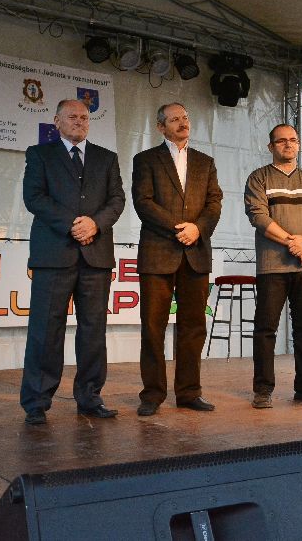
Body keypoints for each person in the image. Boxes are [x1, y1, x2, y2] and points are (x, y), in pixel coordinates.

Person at [20, 99, 126, 425]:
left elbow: (117, 200)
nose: (79, 121)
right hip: (54, 254)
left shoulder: (106, 158)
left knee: (93, 331)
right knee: (45, 331)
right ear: (57, 121)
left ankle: (90, 398)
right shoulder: (40, 155)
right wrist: (72, 224)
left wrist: (95, 224)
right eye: (72, 117)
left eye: (84, 117)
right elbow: (34, 197)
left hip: (96, 256)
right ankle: (37, 402)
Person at [132, 102, 223, 416]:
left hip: (196, 253)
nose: (182, 123)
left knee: (194, 327)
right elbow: (143, 202)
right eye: (174, 119)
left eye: (185, 117)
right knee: (152, 327)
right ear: (161, 127)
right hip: (158, 253)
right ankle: (152, 394)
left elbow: (214, 203)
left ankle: (189, 392)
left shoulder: (205, 162)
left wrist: (197, 229)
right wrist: (180, 229)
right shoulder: (145, 160)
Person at [244, 124, 302, 409]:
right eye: (281, 141)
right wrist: (293, 243)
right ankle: (263, 389)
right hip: (273, 267)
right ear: (271, 146)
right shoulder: (259, 178)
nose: (288, 144)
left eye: (293, 140)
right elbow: (258, 216)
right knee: (265, 329)